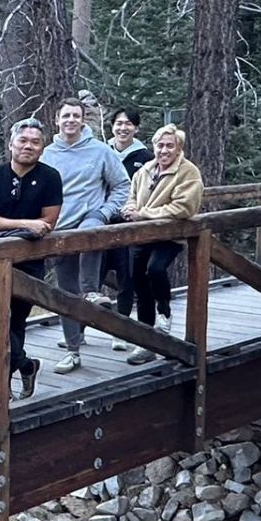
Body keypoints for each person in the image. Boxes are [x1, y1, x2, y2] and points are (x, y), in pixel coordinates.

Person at [40, 98, 129, 373]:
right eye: (65, 116)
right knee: (66, 293)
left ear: (83, 120)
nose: (70, 120)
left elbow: (122, 185)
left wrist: (105, 211)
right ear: (57, 120)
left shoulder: (100, 151)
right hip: (59, 228)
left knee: (89, 232)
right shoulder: (48, 154)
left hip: (90, 218)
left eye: (76, 116)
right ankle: (72, 349)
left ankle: (91, 290)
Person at [0, 119, 63, 398]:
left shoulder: (50, 177)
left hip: (29, 265)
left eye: (35, 142)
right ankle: (25, 365)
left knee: (15, 324)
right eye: (23, 140)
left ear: (42, 147)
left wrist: (11, 227)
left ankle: (2, 388)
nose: (28, 146)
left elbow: (48, 222)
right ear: (11, 143)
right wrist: (25, 225)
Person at [123, 125, 204, 364]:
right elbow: (131, 197)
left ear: (179, 148)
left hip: (171, 234)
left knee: (155, 269)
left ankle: (164, 311)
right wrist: (129, 210)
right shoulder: (145, 170)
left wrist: (144, 213)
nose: (164, 150)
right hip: (143, 235)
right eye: (160, 145)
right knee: (137, 278)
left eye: (170, 145)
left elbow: (184, 208)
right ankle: (147, 340)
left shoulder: (188, 172)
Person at [100, 107, 155, 351]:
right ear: (112, 126)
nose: (123, 128)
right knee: (92, 277)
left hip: (129, 225)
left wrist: (138, 211)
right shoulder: (102, 151)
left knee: (127, 278)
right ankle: (77, 328)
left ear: (136, 127)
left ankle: (119, 330)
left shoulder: (146, 157)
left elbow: (153, 190)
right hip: (101, 223)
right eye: (119, 123)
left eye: (128, 123)